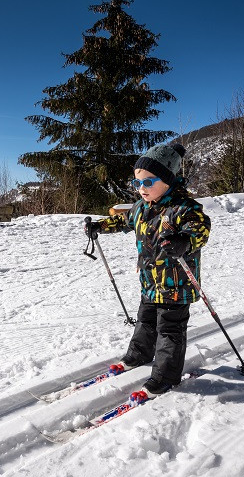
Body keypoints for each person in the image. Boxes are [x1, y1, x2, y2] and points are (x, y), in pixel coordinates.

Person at [86, 142, 211, 397]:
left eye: (148, 182)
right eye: (137, 183)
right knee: (145, 320)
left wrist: (185, 241)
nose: (141, 189)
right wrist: (100, 226)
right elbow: (122, 220)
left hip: (176, 284)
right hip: (150, 281)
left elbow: (201, 228)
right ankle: (139, 354)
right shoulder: (140, 209)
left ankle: (166, 376)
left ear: (167, 180)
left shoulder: (183, 208)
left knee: (169, 330)